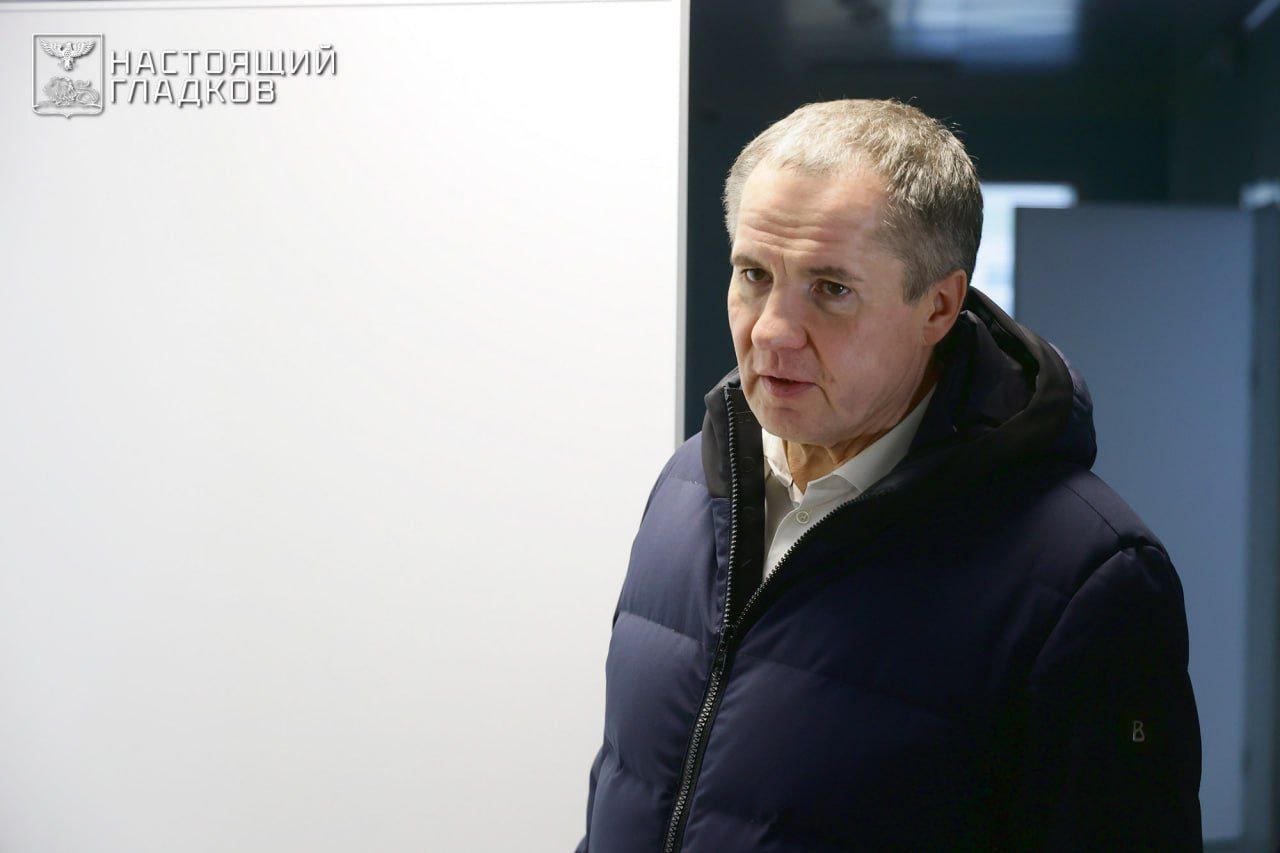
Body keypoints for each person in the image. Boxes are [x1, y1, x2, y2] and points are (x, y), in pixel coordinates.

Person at [574, 98, 1202, 852]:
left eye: (831, 289)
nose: (771, 329)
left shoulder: (1089, 576)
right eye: (754, 274)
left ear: (939, 306)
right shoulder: (688, 482)